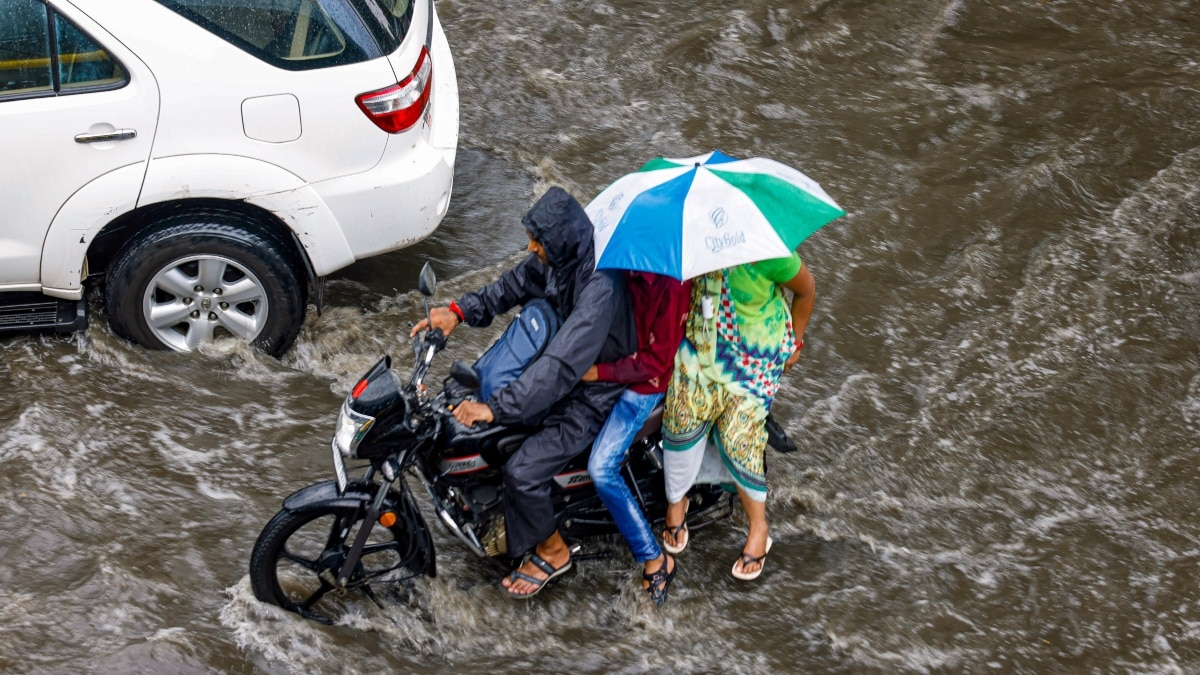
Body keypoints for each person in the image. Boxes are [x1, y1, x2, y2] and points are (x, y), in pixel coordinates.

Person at [410, 187, 636, 599]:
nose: (531, 247)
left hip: (593, 392)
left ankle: (553, 551)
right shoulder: (558, 261)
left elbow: (561, 367)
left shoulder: (598, 289)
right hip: (562, 367)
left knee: (522, 470)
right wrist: (458, 312)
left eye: (538, 241)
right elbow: (511, 285)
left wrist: (495, 409)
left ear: (561, 241)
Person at [660, 253, 815, 581]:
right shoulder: (694, 245)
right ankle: (678, 499)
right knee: (682, 412)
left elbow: (806, 290)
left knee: (737, 435)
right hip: (702, 344)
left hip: (754, 357)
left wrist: (796, 342)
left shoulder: (772, 252)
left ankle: (759, 527)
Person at [582, 271, 691, 606]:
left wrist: (599, 372)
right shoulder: (616, 269)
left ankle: (655, 559)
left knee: (601, 467)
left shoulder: (673, 286)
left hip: (644, 384)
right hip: (611, 364)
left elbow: (655, 361)